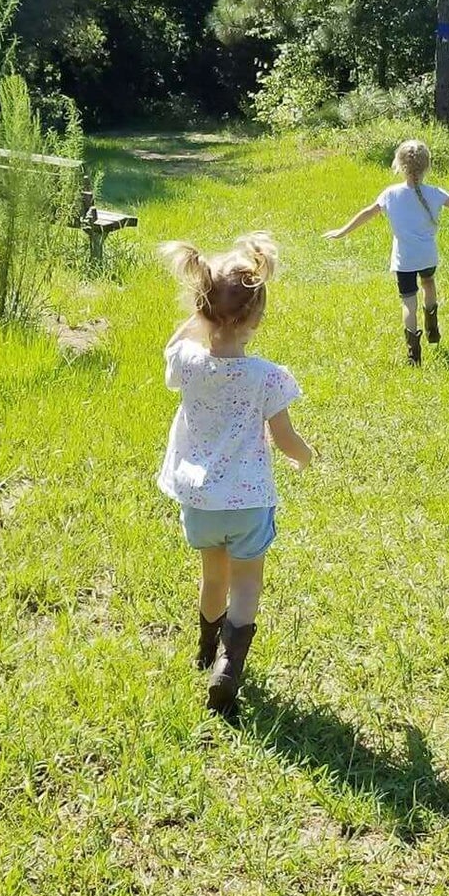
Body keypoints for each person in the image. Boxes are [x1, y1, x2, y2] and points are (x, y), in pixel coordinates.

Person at [158, 233, 314, 721]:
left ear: (203, 308)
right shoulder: (269, 376)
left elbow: (173, 345)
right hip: (248, 502)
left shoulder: (187, 364)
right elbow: (285, 438)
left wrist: (201, 318)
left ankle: (206, 647)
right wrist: (305, 457)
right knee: (246, 585)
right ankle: (229, 667)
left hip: (200, 501)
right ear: (256, 318)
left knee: (213, 576)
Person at [323, 139, 449, 364]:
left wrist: (343, 231)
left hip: (404, 261)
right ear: (427, 167)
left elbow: (367, 213)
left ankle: (414, 354)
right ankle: (432, 327)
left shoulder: (390, 194)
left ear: (399, 165)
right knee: (429, 284)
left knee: (408, 303)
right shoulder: (435, 193)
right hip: (427, 256)